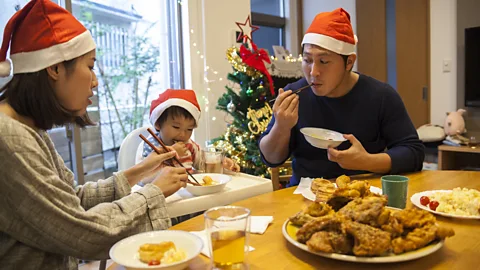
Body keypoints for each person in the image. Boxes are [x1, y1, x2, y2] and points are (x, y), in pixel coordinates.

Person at [0, 1, 188, 269]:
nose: (96, 81)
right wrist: (153, 193)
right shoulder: (9, 139)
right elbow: (79, 233)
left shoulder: (27, 128)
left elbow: (70, 201)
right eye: (90, 66)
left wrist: (137, 172)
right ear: (54, 68)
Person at [259, 8, 425, 187]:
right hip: (302, 197)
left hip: (362, 198)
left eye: (324, 61)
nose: (313, 72)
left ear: (349, 62)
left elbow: (413, 153)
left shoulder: (381, 96)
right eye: (307, 60)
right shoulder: (295, 95)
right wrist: (281, 127)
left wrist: (367, 161)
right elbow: (270, 159)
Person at [141, 89, 240, 176]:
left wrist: (222, 162)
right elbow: (147, 175)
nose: (183, 134)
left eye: (189, 129)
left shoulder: (189, 145)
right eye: (176, 127)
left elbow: (202, 162)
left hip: (189, 192)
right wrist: (172, 153)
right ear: (158, 124)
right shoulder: (151, 145)